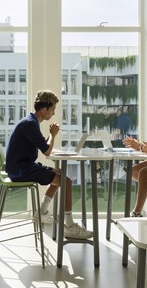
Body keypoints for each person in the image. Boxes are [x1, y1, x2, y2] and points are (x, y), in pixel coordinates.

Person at [6, 90, 93, 240]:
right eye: (52, 109)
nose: (53, 113)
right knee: (66, 182)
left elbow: (44, 146)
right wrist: (52, 135)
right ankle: (69, 226)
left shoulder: (31, 122)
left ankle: (41, 211)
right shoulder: (30, 124)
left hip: (22, 167)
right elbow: (47, 151)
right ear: (44, 108)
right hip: (21, 171)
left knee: (59, 174)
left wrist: (50, 137)